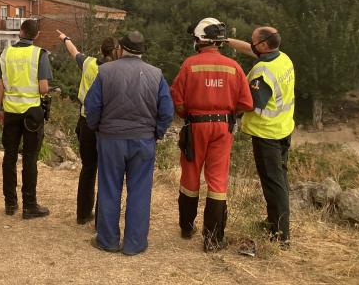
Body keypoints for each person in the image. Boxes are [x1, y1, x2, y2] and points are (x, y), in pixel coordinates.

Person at [85, 31, 174, 255]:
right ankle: (135, 243)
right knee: (140, 192)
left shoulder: (105, 71)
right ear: (142, 52)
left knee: (109, 188)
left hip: (110, 139)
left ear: (120, 49)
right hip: (143, 140)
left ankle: (108, 240)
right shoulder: (156, 74)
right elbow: (166, 111)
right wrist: (157, 133)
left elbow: (92, 106)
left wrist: (97, 128)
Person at [170, 18, 253, 251]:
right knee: (217, 181)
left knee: (190, 176)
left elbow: (177, 98)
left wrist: (189, 114)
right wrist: (227, 115)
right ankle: (213, 239)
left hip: (195, 126)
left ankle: (187, 228)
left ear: (199, 40)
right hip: (223, 128)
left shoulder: (189, 65)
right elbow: (246, 103)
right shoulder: (234, 67)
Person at [227, 27, 295, 245]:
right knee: (279, 179)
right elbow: (251, 50)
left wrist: (226, 111)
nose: (251, 44)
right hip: (283, 129)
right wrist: (226, 40)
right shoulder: (283, 58)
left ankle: (280, 235)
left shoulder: (262, 72)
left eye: (254, 41)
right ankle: (274, 222)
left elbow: (251, 103)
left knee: (273, 183)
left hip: (267, 135)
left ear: (264, 46)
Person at [57, 29, 120, 225]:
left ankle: (83, 214)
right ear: (116, 51)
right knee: (107, 172)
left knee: (88, 168)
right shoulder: (117, 70)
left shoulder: (89, 63)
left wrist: (66, 38)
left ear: (101, 51)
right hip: (107, 126)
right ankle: (102, 217)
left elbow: (73, 51)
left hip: (86, 123)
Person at [0, 19, 52, 219]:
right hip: (32, 113)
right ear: (36, 35)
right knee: (30, 158)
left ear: (20, 32)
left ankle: (10, 204)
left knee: (9, 157)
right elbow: (43, 88)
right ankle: (29, 205)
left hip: (10, 111)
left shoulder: (5, 53)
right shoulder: (39, 55)